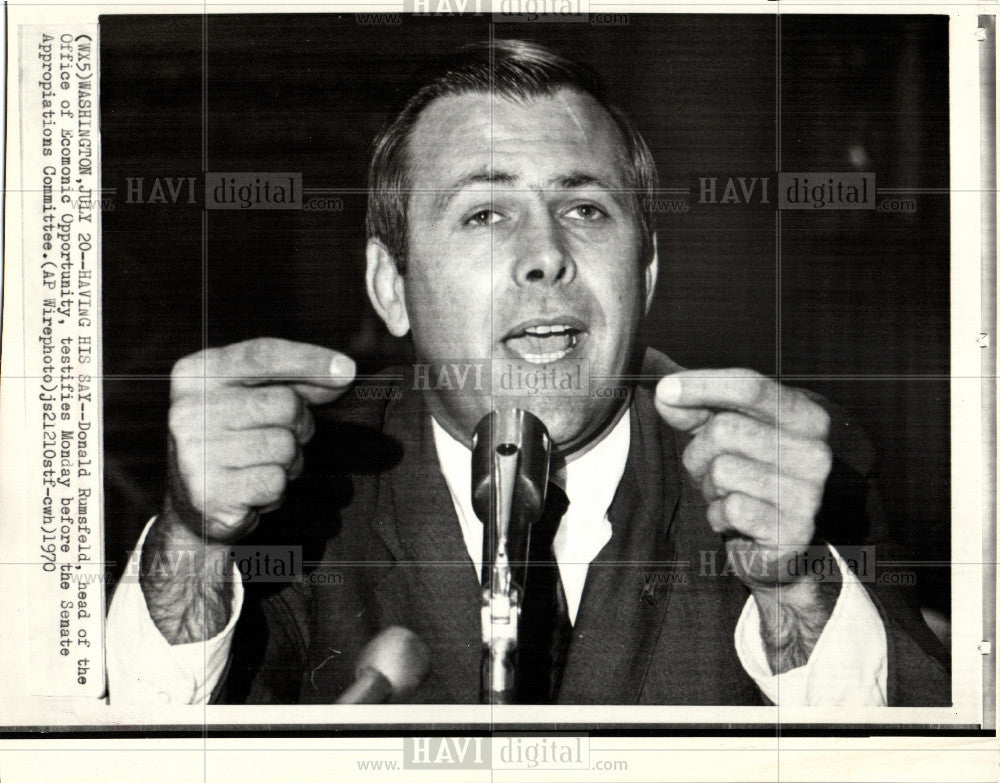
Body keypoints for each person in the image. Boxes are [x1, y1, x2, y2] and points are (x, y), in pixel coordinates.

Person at [106, 39, 949, 706]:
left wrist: (794, 589)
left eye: (585, 208)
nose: (545, 255)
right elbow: (139, 741)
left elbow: (920, 752)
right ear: (390, 286)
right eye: (484, 212)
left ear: (646, 270)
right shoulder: (301, 484)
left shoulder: (786, 466)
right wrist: (190, 541)